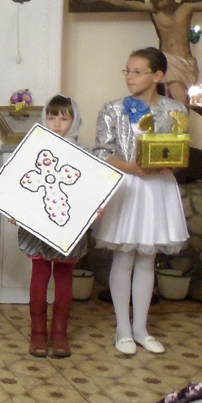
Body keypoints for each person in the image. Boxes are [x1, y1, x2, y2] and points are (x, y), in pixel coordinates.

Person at [93, 47, 189, 355]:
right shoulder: (112, 109)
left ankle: (141, 329)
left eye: (137, 71)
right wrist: (132, 167)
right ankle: (122, 329)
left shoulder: (175, 110)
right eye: (128, 71)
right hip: (128, 187)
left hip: (158, 189)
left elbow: (179, 150)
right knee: (124, 258)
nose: (130, 77)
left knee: (148, 260)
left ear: (157, 76)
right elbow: (101, 152)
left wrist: (170, 164)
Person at [14, 95, 88, 358]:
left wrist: (95, 207)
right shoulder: (33, 150)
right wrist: (15, 210)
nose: (57, 123)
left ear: (73, 120)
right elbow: (20, 184)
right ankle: (37, 333)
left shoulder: (83, 154)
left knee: (64, 276)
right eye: (51, 117)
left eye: (63, 118)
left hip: (68, 225)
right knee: (40, 273)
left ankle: (59, 333)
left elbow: (90, 189)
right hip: (37, 226)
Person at [79, 0, 202, 103]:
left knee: (181, 101)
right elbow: (125, 3)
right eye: (157, 1)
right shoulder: (155, 10)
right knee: (180, 98)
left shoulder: (186, 8)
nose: (160, 3)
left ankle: (176, 118)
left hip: (185, 60)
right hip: (169, 60)